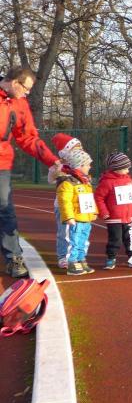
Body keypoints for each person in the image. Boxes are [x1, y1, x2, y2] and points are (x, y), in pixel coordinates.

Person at [0, 65, 60, 278]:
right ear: (14, 82)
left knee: (5, 209)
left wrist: (52, 161)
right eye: (25, 88)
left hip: (1, 164)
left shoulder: (19, 104)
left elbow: (28, 138)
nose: (27, 93)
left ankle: (13, 258)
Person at [94, 152, 132, 270]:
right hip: (114, 218)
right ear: (116, 168)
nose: (128, 170)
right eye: (125, 168)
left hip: (129, 217)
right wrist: (103, 212)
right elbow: (99, 198)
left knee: (130, 240)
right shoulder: (107, 182)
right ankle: (111, 258)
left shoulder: (129, 180)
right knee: (115, 240)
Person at [55, 148, 97, 276]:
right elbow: (64, 201)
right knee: (72, 241)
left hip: (85, 218)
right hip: (75, 219)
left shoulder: (86, 182)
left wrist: (94, 212)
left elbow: (90, 198)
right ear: (80, 165)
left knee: (83, 240)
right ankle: (71, 262)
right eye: (88, 164)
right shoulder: (67, 183)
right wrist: (69, 217)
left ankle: (80, 258)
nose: (90, 167)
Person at [48, 133, 83, 269]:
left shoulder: (82, 163)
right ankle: (63, 256)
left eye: (80, 147)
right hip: (63, 205)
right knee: (65, 232)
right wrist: (56, 170)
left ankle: (78, 255)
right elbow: (50, 180)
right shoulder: (59, 165)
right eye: (76, 148)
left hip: (79, 204)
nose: (79, 150)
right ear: (65, 152)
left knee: (80, 231)